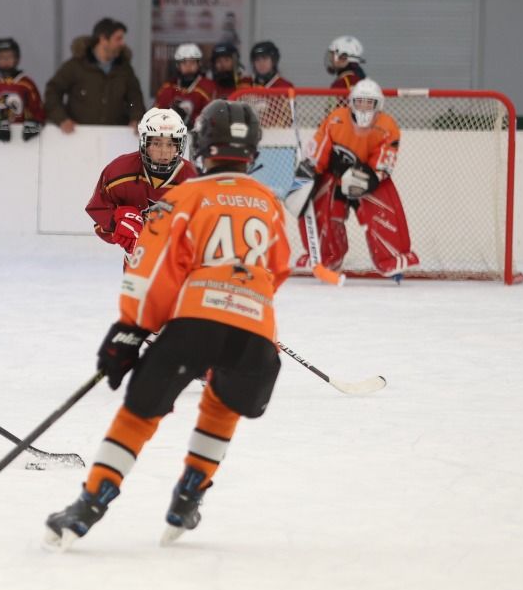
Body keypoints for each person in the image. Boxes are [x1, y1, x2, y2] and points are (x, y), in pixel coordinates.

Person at [45, 100, 291, 550]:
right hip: (255, 336)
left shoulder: (184, 197)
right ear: (252, 151)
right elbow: (280, 268)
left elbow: (153, 274)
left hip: (194, 324)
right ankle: (188, 496)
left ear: (197, 145)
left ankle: (90, 504)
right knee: (220, 407)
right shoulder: (269, 204)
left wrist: (129, 333)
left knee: (139, 414)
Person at [292, 78, 417, 278]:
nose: (364, 107)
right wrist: (308, 177)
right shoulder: (336, 119)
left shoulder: (388, 126)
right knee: (317, 203)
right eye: (360, 101)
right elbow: (318, 151)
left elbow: (381, 167)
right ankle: (326, 255)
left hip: (366, 179)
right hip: (334, 178)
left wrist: (363, 176)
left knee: (383, 208)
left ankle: (391, 256)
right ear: (351, 102)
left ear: (379, 105)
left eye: (369, 103)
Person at [85, 108, 196, 256]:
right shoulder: (119, 172)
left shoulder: (193, 179)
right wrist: (117, 223)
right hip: (137, 262)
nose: (164, 151)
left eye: (170, 144)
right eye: (157, 143)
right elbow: (99, 211)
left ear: (179, 146)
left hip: (179, 261)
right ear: (145, 143)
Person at [44, 16, 147, 133]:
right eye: (118, 39)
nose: (122, 43)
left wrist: (136, 117)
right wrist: (62, 119)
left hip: (115, 139)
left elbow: (135, 99)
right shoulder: (75, 66)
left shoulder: (125, 70)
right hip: (77, 137)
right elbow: (53, 91)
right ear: (103, 39)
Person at [0, 37, 45, 141]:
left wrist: (35, 122)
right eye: (1, 57)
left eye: (9, 56)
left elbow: (38, 109)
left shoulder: (27, 85)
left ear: (17, 58)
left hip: (22, 143)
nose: (6, 60)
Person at [153, 43, 214, 125]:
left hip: (198, 135)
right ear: (178, 65)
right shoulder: (168, 88)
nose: (188, 67)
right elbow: (155, 114)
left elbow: (212, 116)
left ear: (199, 64)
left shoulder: (208, 87)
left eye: (192, 63)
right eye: (184, 63)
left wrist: (192, 120)